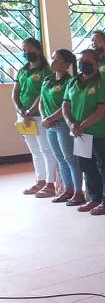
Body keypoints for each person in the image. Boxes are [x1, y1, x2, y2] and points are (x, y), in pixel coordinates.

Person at [64, 48, 105, 215]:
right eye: (81, 60)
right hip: (80, 134)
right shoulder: (72, 82)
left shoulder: (102, 84)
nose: (82, 64)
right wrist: (71, 124)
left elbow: (102, 110)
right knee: (87, 167)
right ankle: (94, 198)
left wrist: (82, 125)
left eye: (87, 61)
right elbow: (65, 105)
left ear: (96, 64)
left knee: (104, 167)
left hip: (99, 133)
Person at [40, 49, 83, 205]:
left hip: (63, 125)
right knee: (60, 159)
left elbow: (67, 105)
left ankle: (78, 192)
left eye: (57, 59)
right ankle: (67, 189)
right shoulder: (47, 79)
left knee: (70, 159)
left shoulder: (69, 81)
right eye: (52, 58)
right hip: (50, 126)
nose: (53, 62)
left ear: (66, 64)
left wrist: (51, 118)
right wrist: (45, 118)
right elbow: (41, 101)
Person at [13, 38, 54, 196]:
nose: (25, 53)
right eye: (24, 50)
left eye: (29, 50)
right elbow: (15, 92)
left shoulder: (46, 71)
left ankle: (51, 184)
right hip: (23, 117)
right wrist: (20, 110)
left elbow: (42, 94)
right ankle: (40, 181)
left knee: (46, 150)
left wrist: (30, 111)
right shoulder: (23, 70)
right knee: (35, 151)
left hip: (38, 116)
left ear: (38, 51)